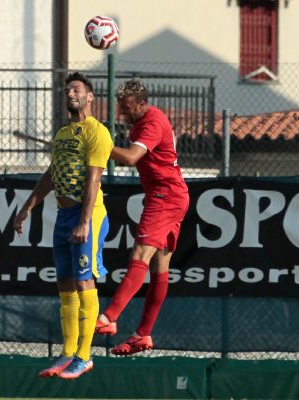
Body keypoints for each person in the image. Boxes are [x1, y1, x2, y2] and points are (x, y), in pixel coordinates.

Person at [13, 72, 113, 379]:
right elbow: (51, 174)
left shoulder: (97, 132)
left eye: (77, 89)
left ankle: (85, 356)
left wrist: (84, 221)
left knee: (85, 283)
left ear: (90, 97)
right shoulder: (62, 135)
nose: (71, 93)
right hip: (64, 215)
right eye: (68, 89)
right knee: (66, 287)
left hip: (89, 215)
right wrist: (28, 206)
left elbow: (94, 177)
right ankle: (68, 353)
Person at [94, 78, 189, 355]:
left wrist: (98, 146)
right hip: (172, 196)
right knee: (160, 270)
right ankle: (142, 335)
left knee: (139, 256)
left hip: (164, 197)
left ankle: (108, 318)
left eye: (127, 107)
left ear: (142, 104)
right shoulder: (143, 120)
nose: (123, 113)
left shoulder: (151, 122)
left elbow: (132, 157)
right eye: (121, 107)